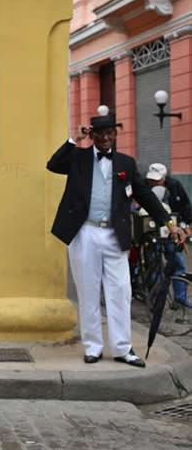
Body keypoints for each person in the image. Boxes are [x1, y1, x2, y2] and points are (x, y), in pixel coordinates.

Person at [48, 112, 185, 368]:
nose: (106, 138)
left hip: (114, 233)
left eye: (110, 133)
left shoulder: (126, 163)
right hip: (85, 231)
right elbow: (53, 165)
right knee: (88, 290)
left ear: (115, 134)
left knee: (121, 290)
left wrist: (169, 222)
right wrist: (73, 140)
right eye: (100, 133)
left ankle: (123, 348)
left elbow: (145, 196)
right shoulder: (78, 158)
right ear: (92, 135)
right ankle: (93, 347)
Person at [145, 162, 192, 309]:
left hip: (173, 230)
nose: (154, 182)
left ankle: (180, 297)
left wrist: (186, 226)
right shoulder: (144, 186)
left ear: (164, 177)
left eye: (157, 179)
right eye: (152, 179)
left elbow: (186, 206)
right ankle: (156, 299)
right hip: (152, 229)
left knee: (178, 263)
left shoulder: (175, 186)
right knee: (153, 264)